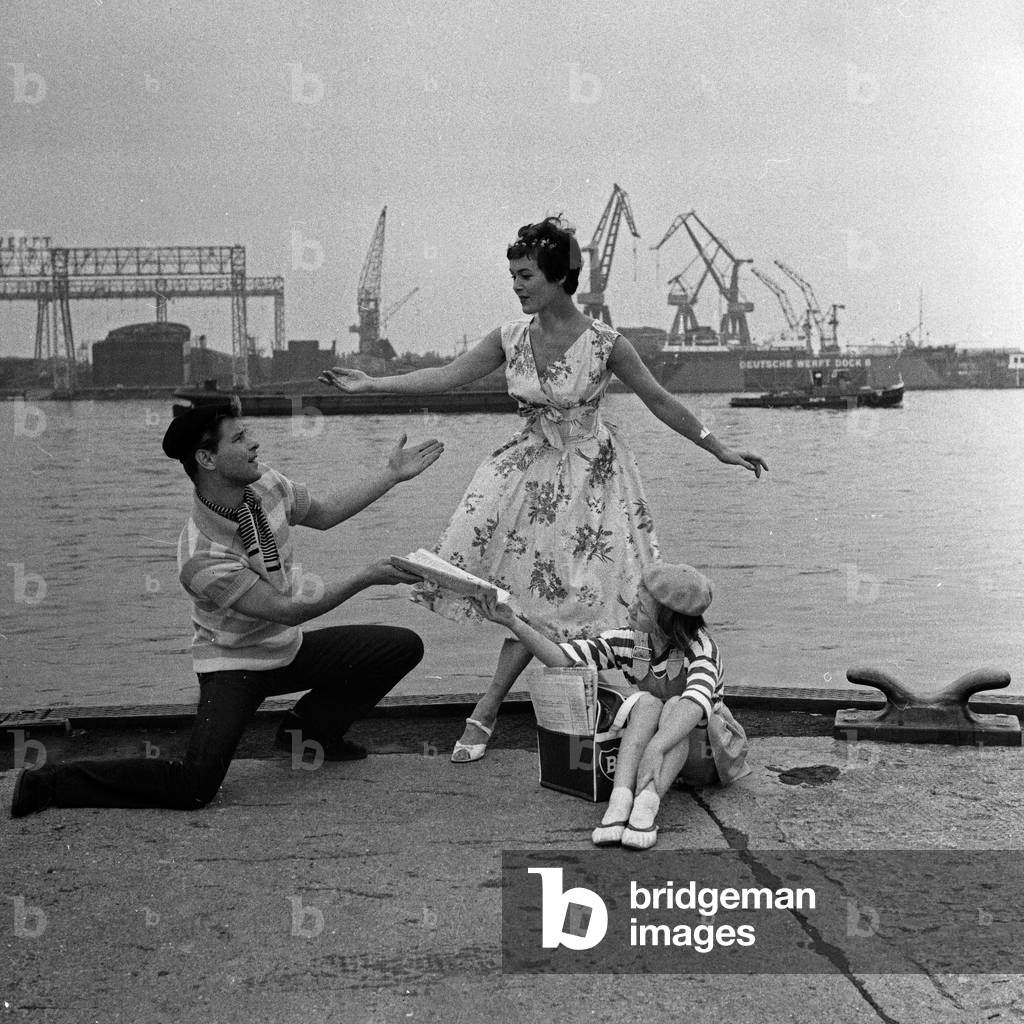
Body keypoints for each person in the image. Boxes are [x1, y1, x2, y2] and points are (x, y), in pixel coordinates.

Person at [319, 215, 767, 764]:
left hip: (593, 479)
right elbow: (447, 375)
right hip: (526, 474)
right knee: (513, 588)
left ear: (557, 276)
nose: (517, 285)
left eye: (526, 274)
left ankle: (499, 710)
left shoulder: (607, 343)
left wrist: (717, 446)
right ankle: (514, 710)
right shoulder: (510, 337)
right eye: (512, 275)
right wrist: (373, 385)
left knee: (576, 599)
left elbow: (661, 401)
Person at [4, 399, 444, 817]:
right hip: (234, 665)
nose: (254, 443)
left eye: (247, 434)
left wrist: (390, 474)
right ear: (207, 459)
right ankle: (51, 783)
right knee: (195, 786)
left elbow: (325, 513)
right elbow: (285, 608)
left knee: (400, 647)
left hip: (287, 650)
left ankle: (306, 736)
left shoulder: (265, 484)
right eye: (238, 439)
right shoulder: (201, 554)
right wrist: (367, 575)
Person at [473, 562, 750, 850]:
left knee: (676, 707)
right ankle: (620, 802)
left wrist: (655, 748)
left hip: (704, 754)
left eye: (642, 609)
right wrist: (513, 622)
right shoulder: (632, 641)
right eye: (635, 600)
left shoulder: (701, 650)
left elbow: (695, 703)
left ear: (668, 622)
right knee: (646, 704)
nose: (631, 609)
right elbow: (564, 658)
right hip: (660, 752)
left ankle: (646, 805)